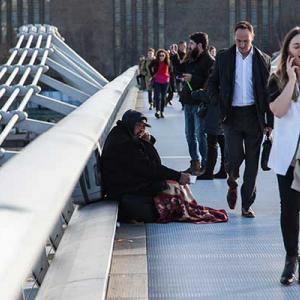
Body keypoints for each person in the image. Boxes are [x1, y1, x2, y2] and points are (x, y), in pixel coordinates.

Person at [100, 109, 228, 224]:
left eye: (143, 127)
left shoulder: (123, 135)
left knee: (169, 183)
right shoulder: (126, 144)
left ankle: (181, 208)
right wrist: (178, 176)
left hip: (124, 182)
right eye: (139, 126)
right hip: (123, 187)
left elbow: (150, 165)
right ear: (130, 124)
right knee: (170, 186)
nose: (141, 130)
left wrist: (147, 142)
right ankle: (178, 210)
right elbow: (151, 168)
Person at [208, 21, 273, 217]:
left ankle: (246, 205)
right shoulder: (224, 57)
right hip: (231, 116)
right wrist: (218, 103)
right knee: (234, 156)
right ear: (234, 38)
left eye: (245, 41)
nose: (242, 45)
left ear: (252, 38)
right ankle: (232, 181)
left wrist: (270, 123)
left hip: (254, 116)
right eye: (238, 41)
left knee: (252, 163)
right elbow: (212, 83)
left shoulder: (264, 60)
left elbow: (269, 93)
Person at [267, 26, 300, 285]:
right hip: (289, 156)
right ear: (288, 50)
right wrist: (290, 79)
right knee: (289, 209)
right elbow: (278, 110)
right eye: (297, 46)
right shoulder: (276, 78)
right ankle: (291, 259)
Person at [172, 32, 214, 176]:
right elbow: (180, 70)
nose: (189, 47)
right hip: (188, 101)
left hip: (199, 103)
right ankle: (194, 162)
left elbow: (209, 83)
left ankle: (205, 164)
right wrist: (174, 57)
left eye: (191, 44)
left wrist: (193, 78)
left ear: (200, 45)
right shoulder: (191, 57)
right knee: (189, 134)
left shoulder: (209, 61)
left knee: (200, 133)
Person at [149, 49, 170, 118]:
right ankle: (157, 111)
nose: (161, 57)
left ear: (165, 56)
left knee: (163, 97)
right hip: (157, 80)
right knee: (157, 96)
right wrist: (153, 75)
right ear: (158, 56)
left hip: (165, 81)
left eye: (163, 55)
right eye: (160, 55)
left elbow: (172, 69)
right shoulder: (155, 61)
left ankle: (162, 111)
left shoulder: (167, 62)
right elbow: (149, 66)